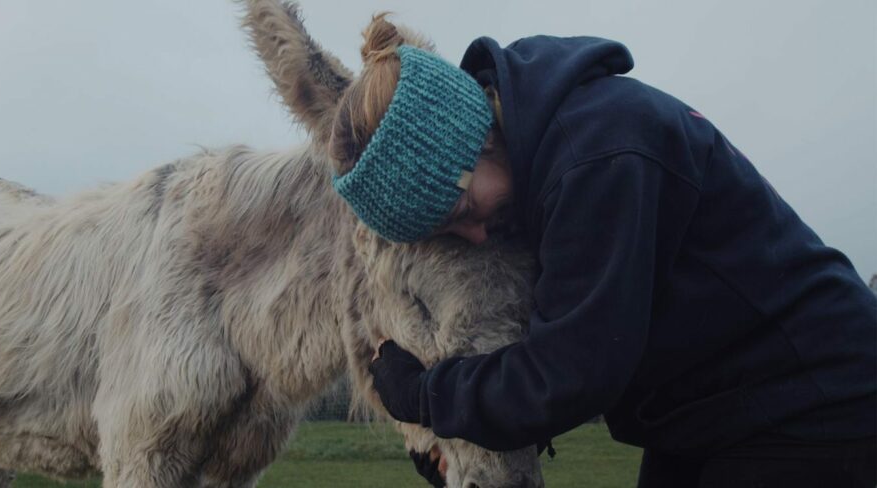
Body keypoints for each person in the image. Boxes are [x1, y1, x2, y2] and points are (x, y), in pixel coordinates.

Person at [328, 14, 877, 488]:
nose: (476, 234)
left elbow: (567, 375)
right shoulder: (542, 139)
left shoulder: (595, 156)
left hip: (814, 405)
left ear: (476, 135)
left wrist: (427, 398)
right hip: (712, 411)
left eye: (463, 210)